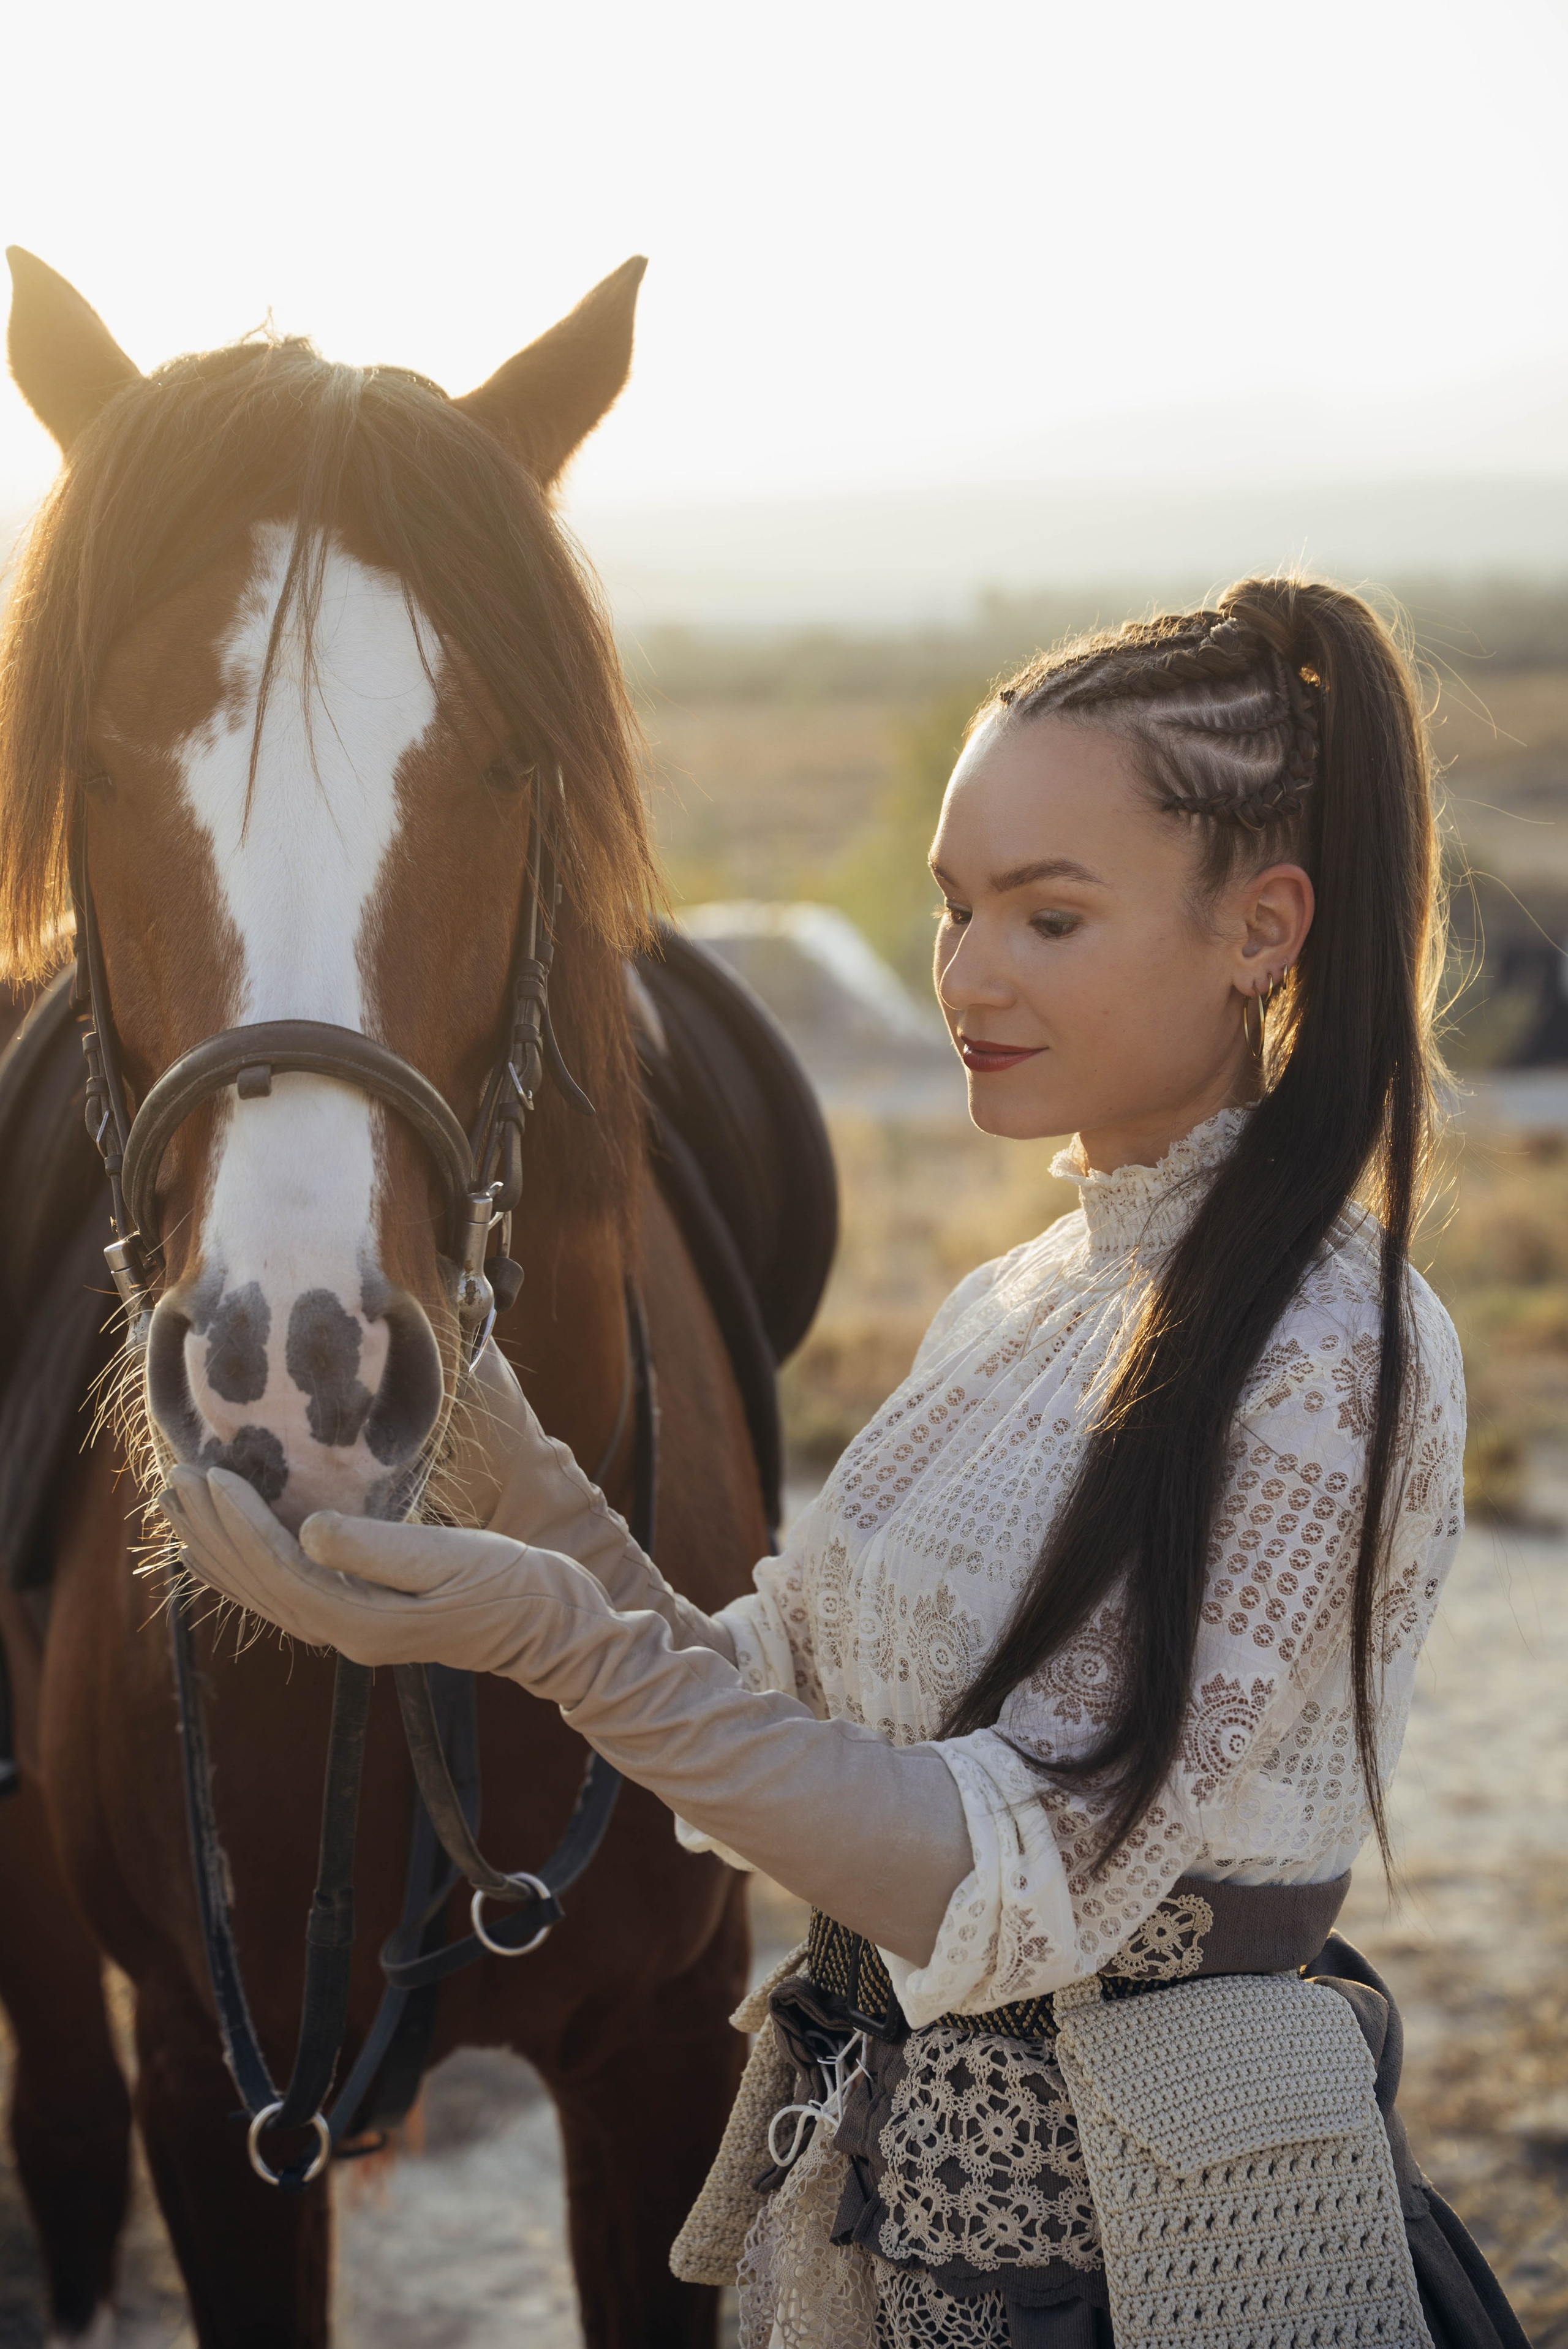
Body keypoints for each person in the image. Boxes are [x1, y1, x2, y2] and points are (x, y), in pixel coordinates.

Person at [163, 578, 1527, 2348]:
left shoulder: (1338, 1344)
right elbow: (763, 1700)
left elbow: (1000, 1879)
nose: (967, 974)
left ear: (1264, 928)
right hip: (880, 2229)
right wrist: (492, 1436)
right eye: (956, 908)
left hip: (1166, 2262)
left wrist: (550, 1642)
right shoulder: (1014, 1302)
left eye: (1048, 916)